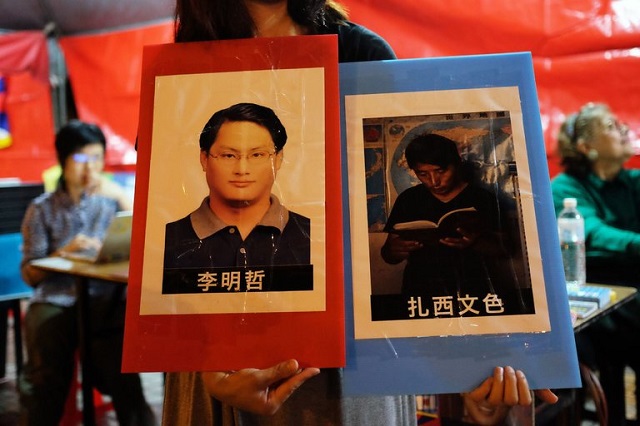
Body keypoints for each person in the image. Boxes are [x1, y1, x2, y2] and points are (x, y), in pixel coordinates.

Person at [162, 1, 558, 425]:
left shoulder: (359, 53)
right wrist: (210, 364)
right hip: (214, 353)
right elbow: (167, 211)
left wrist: (476, 367)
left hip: (341, 361)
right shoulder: (187, 60)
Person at [19, 120, 155, 425]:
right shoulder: (42, 209)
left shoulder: (113, 201)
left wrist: (120, 197)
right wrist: (62, 252)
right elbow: (30, 273)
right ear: (63, 160)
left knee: (124, 372)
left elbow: (149, 238)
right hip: (57, 299)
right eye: (81, 159)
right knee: (45, 369)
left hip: (104, 299)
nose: (90, 168)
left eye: (97, 158)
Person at [551, 102, 640, 425]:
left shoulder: (632, 182)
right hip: (594, 298)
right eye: (610, 126)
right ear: (586, 147)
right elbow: (594, 234)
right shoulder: (565, 189)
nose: (624, 129)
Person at [162, 103, 311, 294]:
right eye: (229, 155)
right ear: (204, 159)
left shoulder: (311, 236)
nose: (242, 170)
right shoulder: (168, 240)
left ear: (278, 159)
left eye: (257, 154)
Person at [381, 133, 530, 315]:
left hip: (474, 289)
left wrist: (474, 242)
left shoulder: (481, 198)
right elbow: (388, 255)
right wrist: (393, 250)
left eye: (441, 171)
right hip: (421, 291)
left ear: (457, 163)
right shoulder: (408, 200)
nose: (434, 181)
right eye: (423, 174)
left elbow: (506, 249)